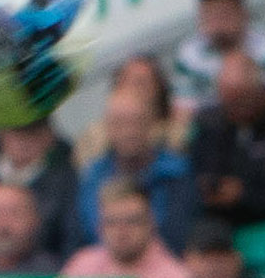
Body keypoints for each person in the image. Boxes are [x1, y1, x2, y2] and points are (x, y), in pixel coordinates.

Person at [189, 52, 265, 229]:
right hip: (224, 225)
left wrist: (245, 195)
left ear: (261, 91)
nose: (233, 111)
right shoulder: (212, 122)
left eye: (241, 102)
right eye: (228, 103)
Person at [79, 83, 196, 254]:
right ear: (108, 128)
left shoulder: (178, 173)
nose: (129, 132)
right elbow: (81, 236)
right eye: (120, 123)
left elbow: (179, 236)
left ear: (152, 124)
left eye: (136, 122)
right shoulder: (93, 176)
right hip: (102, 273)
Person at [172, 0, 265, 117]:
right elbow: (183, 106)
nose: (217, 26)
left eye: (224, 16)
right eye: (210, 17)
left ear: (243, 14)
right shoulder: (190, 55)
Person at [0, 118, 81, 258]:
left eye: (32, 134)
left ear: (49, 138)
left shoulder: (66, 179)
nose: (23, 142)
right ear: (1, 134)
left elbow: (70, 234)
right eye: (16, 133)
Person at [65, 179, 192, 278]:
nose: (121, 231)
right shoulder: (80, 266)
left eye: (131, 221)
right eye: (111, 222)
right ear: (99, 226)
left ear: (151, 223)